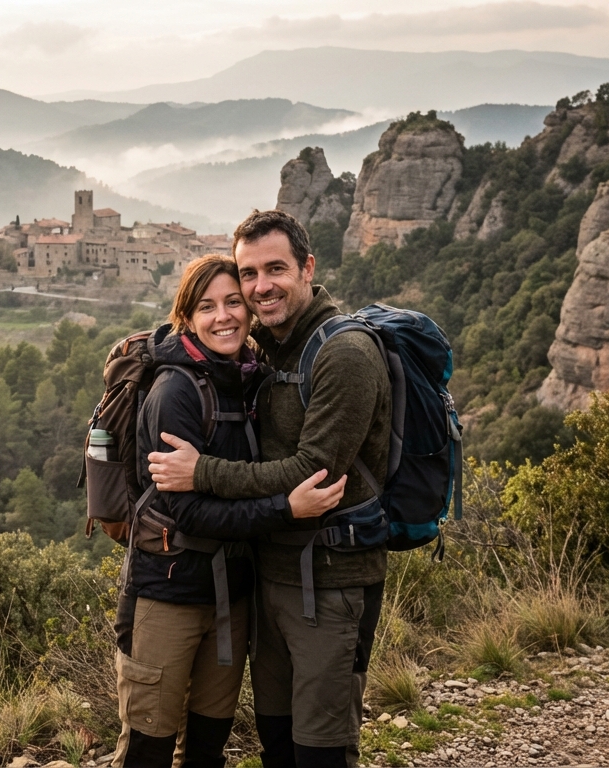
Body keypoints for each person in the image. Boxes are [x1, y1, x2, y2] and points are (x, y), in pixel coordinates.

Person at [148, 211, 391, 768]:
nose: (260, 287)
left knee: (321, 752)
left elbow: (314, 470)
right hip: (270, 579)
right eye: (249, 273)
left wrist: (202, 471)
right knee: (278, 745)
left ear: (307, 268)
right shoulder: (270, 344)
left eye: (275, 269)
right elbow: (205, 329)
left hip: (331, 583)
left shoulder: (344, 354)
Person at [114, 254, 346, 768]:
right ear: (187, 318)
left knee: (207, 747)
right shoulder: (175, 391)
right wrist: (286, 508)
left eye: (233, 303)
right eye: (207, 307)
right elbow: (191, 513)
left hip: (232, 599)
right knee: (147, 750)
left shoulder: (248, 379)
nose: (224, 317)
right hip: (168, 592)